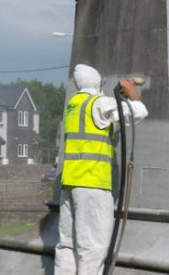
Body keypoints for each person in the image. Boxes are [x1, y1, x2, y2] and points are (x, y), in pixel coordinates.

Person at [54, 64, 148, 275]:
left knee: (67, 244)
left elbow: (98, 129)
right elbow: (139, 113)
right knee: (92, 247)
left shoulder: (73, 105)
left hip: (70, 183)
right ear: (100, 84)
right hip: (93, 184)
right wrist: (132, 93)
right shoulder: (98, 104)